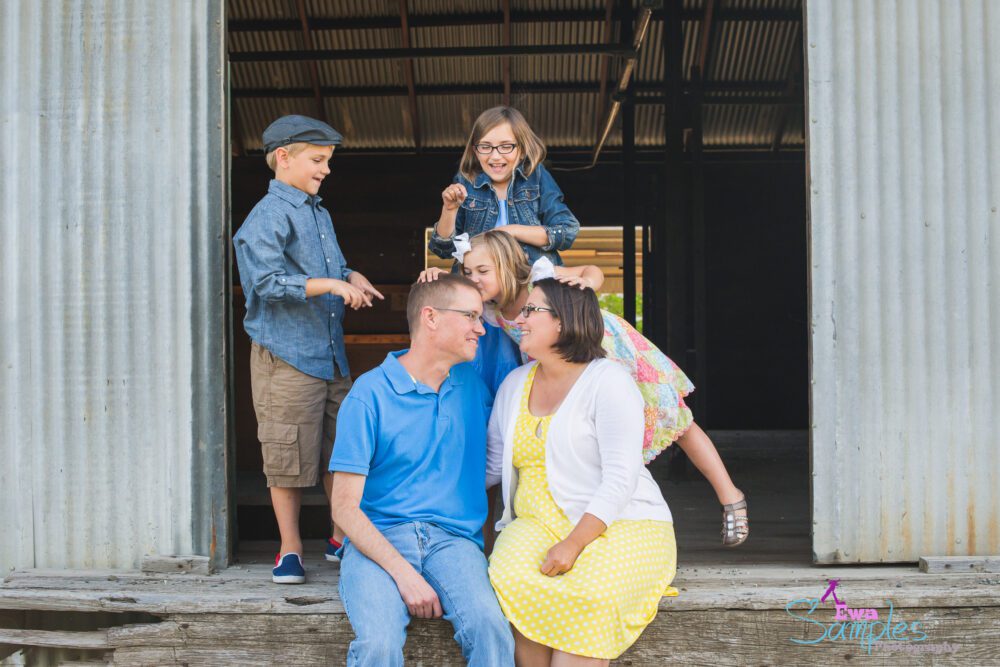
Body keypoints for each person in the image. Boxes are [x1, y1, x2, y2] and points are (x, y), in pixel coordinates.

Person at [424, 230, 749, 546]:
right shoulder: (489, 304)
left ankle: (730, 496)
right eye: (468, 272)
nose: (474, 279)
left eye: (483, 271)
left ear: (507, 266)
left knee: (675, 421)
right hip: (562, 360)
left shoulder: (539, 278)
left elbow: (591, 271)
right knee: (593, 433)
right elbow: (450, 298)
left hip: (606, 344)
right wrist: (438, 278)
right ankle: (604, 513)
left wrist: (588, 283)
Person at [487, 278, 678, 665]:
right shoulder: (514, 384)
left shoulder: (609, 382)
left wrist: (573, 543)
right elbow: (492, 464)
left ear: (563, 320)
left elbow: (621, 478)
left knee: (591, 594)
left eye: (531, 310)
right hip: (538, 522)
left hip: (622, 522)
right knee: (510, 577)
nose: (519, 319)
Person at [329, 274, 515, 667]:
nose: (481, 329)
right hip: (378, 541)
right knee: (378, 646)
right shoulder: (368, 395)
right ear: (431, 317)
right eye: (470, 316)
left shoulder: (474, 386)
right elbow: (344, 508)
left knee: (491, 629)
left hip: (454, 542)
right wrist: (404, 574)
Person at [233, 115, 384, 584]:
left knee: (344, 449)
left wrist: (351, 275)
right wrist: (333, 286)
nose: (326, 169)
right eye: (318, 160)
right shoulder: (267, 215)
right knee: (288, 454)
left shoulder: (319, 212)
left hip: (330, 355)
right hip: (287, 356)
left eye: (328, 161)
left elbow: (333, 266)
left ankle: (341, 537)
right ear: (284, 157)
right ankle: (290, 548)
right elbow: (266, 283)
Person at [428, 105, 580, 267]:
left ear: (522, 150)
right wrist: (449, 210)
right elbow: (444, 250)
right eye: (485, 146)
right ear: (476, 151)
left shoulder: (536, 176)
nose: (495, 156)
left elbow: (566, 231)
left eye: (506, 146)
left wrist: (510, 231)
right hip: (478, 281)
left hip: (532, 279)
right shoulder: (465, 182)